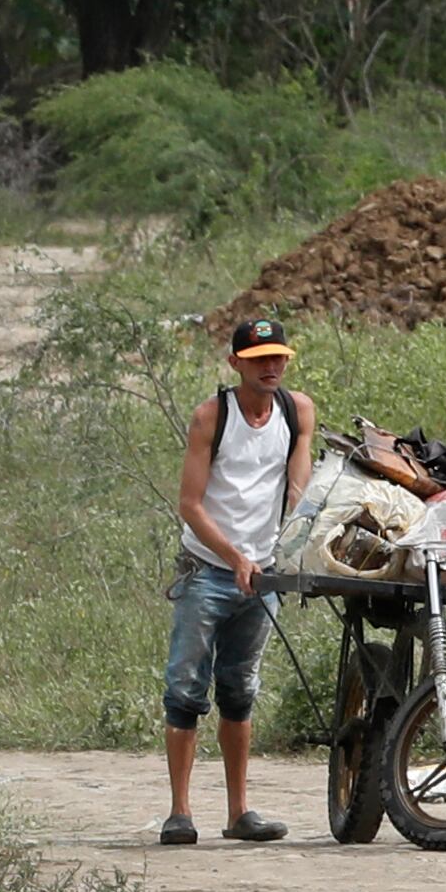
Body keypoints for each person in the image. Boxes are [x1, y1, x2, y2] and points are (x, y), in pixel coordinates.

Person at [161, 319, 317, 846]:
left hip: (262, 571)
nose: (271, 367)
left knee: (239, 688)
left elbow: (298, 482)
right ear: (236, 364)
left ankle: (238, 812)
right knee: (185, 688)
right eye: (259, 359)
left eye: (278, 358)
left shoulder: (297, 410)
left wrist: (297, 537)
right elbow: (190, 503)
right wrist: (233, 558)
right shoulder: (213, 416)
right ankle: (180, 812)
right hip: (209, 567)